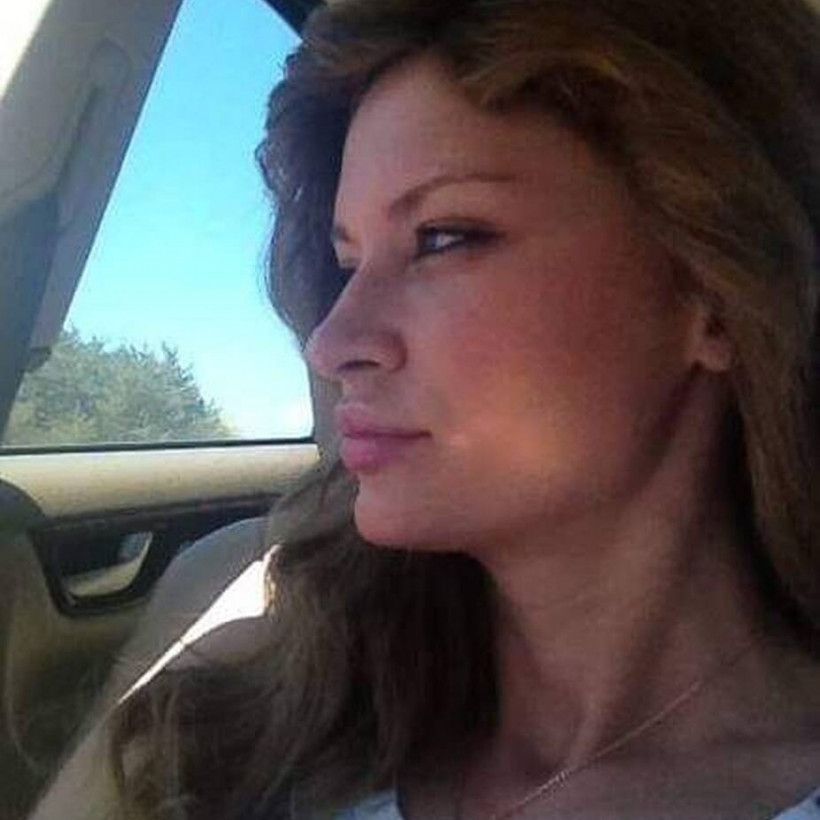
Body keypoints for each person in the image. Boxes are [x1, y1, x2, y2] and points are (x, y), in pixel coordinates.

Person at [32, 0, 820, 818]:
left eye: (444, 237)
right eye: (348, 264)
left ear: (712, 294)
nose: (332, 344)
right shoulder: (235, 705)